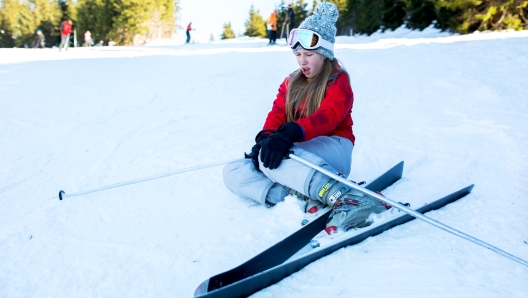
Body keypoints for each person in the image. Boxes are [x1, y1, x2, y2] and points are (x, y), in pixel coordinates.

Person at [223, 3, 390, 235]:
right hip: (301, 154)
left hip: (334, 150)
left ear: (324, 53)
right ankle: (301, 196)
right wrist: (266, 140)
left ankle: (348, 197)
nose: (302, 61)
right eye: (298, 54)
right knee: (234, 171)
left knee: (277, 158)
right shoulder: (290, 82)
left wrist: (290, 133)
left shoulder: (337, 81)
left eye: (309, 55)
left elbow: (327, 118)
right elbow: (277, 113)